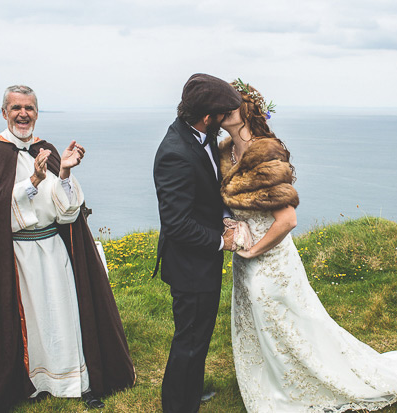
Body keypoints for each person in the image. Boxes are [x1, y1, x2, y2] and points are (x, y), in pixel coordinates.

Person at [219, 79, 397, 412]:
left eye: (229, 106)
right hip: (245, 259)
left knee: (287, 325)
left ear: (247, 110)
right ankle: (267, 381)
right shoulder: (224, 152)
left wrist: (254, 249)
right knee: (256, 325)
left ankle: (298, 386)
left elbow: (288, 220)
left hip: (270, 258)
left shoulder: (266, 153)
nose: (221, 112)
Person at [0, 85, 135, 412]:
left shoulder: (46, 149)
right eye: (16, 108)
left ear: (37, 112)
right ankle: (35, 384)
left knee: (64, 313)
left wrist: (65, 171)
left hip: (53, 251)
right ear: (4, 113)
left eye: (29, 107)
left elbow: (66, 212)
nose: (23, 114)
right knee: (32, 320)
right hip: (17, 257)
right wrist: (32, 183)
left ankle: (75, 383)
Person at [153, 73, 243, 413]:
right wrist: (222, 240)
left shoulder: (198, 136)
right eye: (221, 115)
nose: (224, 121)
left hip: (200, 261)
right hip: (190, 265)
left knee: (198, 338)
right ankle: (179, 406)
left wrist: (223, 213)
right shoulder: (175, 153)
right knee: (189, 341)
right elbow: (177, 224)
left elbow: (202, 195)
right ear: (208, 117)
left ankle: (190, 389)